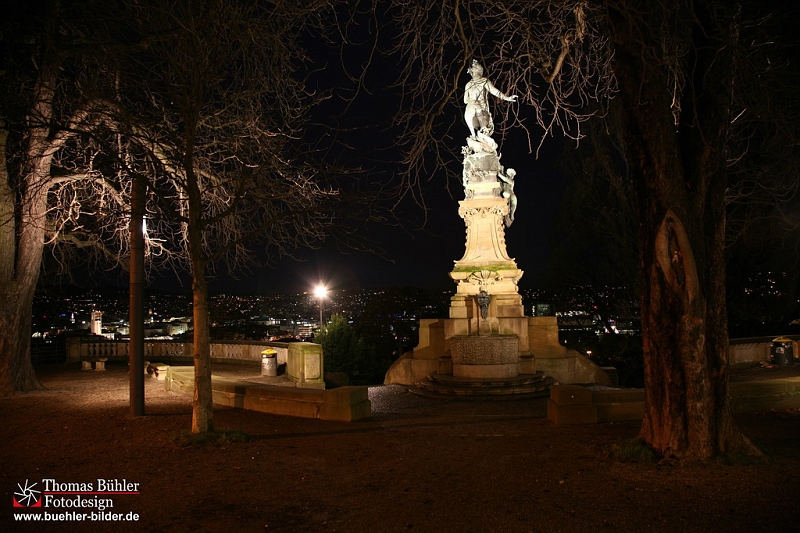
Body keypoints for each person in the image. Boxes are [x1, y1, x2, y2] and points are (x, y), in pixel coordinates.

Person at [464, 59, 517, 138]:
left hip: (478, 109)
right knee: (477, 129)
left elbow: (494, 91)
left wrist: (506, 98)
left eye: (474, 67)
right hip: (476, 109)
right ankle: (476, 135)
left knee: (481, 130)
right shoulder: (474, 83)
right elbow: (465, 100)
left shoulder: (477, 82)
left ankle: (478, 135)